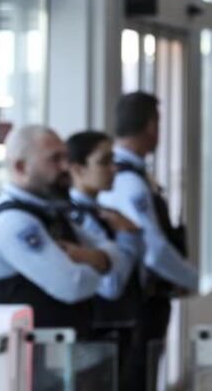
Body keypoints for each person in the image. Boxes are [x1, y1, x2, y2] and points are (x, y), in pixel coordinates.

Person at [0, 126, 139, 339]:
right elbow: (74, 286)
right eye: (55, 159)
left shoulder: (48, 211)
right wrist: (101, 264)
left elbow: (113, 252)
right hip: (31, 356)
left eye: (65, 157)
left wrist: (90, 258)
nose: (65, 167)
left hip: (67, 351)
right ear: (21, 168)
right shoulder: (14, 223)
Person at [99, 92, 198, 388]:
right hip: (139, 303)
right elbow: (153, 250)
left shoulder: (130, 175)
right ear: (152, 125)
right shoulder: (129, 181)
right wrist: (195, 280)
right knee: (138, 377)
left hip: (136, 300)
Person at [67, 130, 145, 390]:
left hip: (119, 331)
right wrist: (128, 238)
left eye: (113, 160)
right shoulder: (77, 219)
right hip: (97, 337)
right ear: (77, 169)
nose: (114, 169)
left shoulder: (105, 214)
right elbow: (111, 285)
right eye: (104, 162)